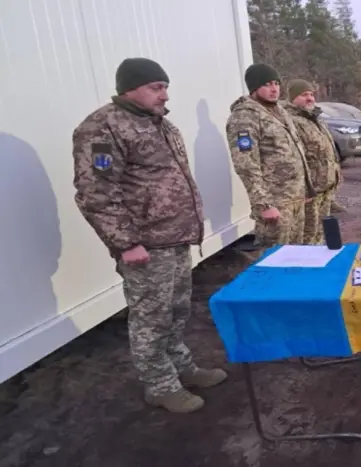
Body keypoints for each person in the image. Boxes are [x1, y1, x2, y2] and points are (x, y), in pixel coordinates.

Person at [72, 57, 227, 414]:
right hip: (145, 245)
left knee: (176, 311)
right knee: (151, 318)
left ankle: (181, 368)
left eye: (165, 86)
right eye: (156, 87)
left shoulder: (161, 125)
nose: (164, 94)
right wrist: (125, 243)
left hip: (175, 238)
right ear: (130, 88)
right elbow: (95, 191)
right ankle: (159, 385)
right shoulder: (102, 129)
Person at [226, 64, 315, 248]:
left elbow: (296, 150)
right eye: (267, 84)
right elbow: (246, 165)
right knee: (274, 260)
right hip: (276, 204)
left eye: (276, 83)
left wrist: (306, 188)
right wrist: (263, 205)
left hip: (295, 199)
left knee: (297, 256)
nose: (274, 89)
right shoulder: (245, 116)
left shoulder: (279, 111)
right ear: (254, 88)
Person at [284, 79, 341, 244]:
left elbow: (327, 152)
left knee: (321, 235)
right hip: (309, 192)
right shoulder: (292, 122)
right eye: (304, 95)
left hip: (325, 189)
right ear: (293, 98)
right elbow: (293, 159)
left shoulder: (315, 119)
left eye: (311, 94)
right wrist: (303, 189)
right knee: (307, 238)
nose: (309, 98)